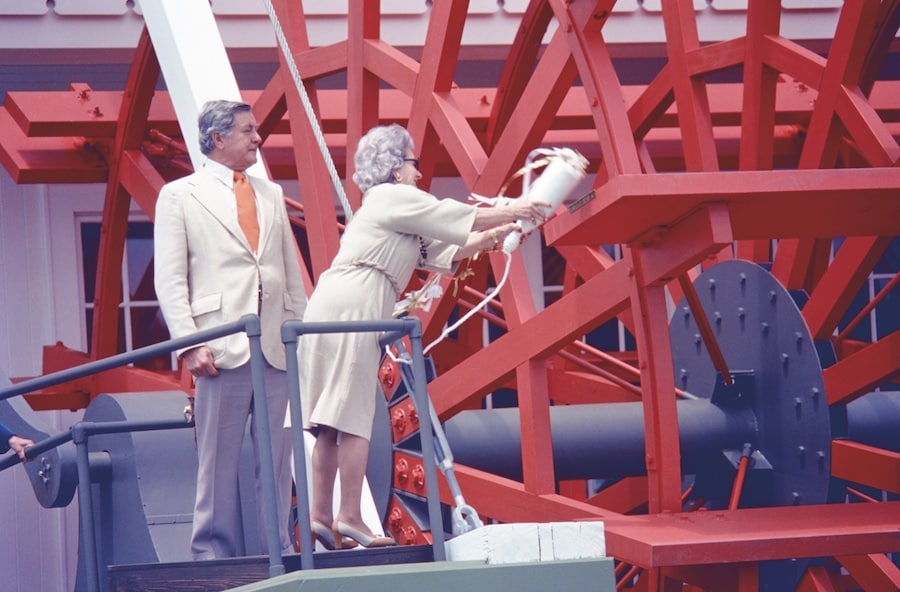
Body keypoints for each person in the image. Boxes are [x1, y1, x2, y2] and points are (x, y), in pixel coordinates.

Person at [298, 123, 550, 549]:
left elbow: (446, 251)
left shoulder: (391, 212)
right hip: (357, 302)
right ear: (396, 169)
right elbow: (454, 215)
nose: (418, 174)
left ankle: (322, 517)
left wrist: (496, 237)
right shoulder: (395, 197)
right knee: (356, 413)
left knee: (328, 420)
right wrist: (518, 209)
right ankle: (351, 517)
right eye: (413, 165)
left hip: (333, 301)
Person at [154, 99, 308, 560]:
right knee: (216, 463)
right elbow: (170, 278)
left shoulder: (271, 194)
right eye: (248, 131)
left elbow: (289, 274)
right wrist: (189, 345)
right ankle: (211, 559)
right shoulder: (180, 195)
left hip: (276, 348)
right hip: (220, 348)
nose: (257, 138)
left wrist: (300, 335)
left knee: (279, 465)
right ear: (218, 138)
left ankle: (276, 554)